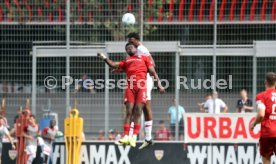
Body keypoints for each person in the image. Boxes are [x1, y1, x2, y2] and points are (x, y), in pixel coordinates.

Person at [98, 42, 164, 147]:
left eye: (131, 47)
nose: (129, 48)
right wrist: (104, 58)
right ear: (126, 52)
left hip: (142, 88)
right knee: (129, 111)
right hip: (130, 88)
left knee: (138, 111)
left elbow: (153, 72)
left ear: (135, 49)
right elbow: (113, 65)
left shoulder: (144, 58)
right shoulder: (127, 61)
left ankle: (133, 137)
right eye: (127, 48)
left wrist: (159, 85)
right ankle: (126, 136)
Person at [127, 32, 156, 149]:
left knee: (140, 108)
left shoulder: (141, 49)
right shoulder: (136, 50)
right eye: (129, 41)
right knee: (142, 109)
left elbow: (152, 64)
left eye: (132, 40)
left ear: (137, 40)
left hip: (145, 81)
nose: (130, 42)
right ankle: (147, 137)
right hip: (141, 80)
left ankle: (133, 136)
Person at [250, 72, 276, 164]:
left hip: (267, 132)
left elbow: (261, 114)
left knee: (266, 158)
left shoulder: (261, 96)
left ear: (265, 82)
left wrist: (253, 124)